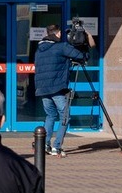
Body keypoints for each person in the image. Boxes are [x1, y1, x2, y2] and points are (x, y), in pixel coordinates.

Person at [33, 21, 91, 156]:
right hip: (57, 87)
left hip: (42, 88)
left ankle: (45, 144)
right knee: (65, 116)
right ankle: (57, 147)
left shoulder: (39, 50)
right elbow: (81, 56)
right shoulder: (61, 47)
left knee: (50, 115)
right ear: (58, 33)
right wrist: (86, 47)